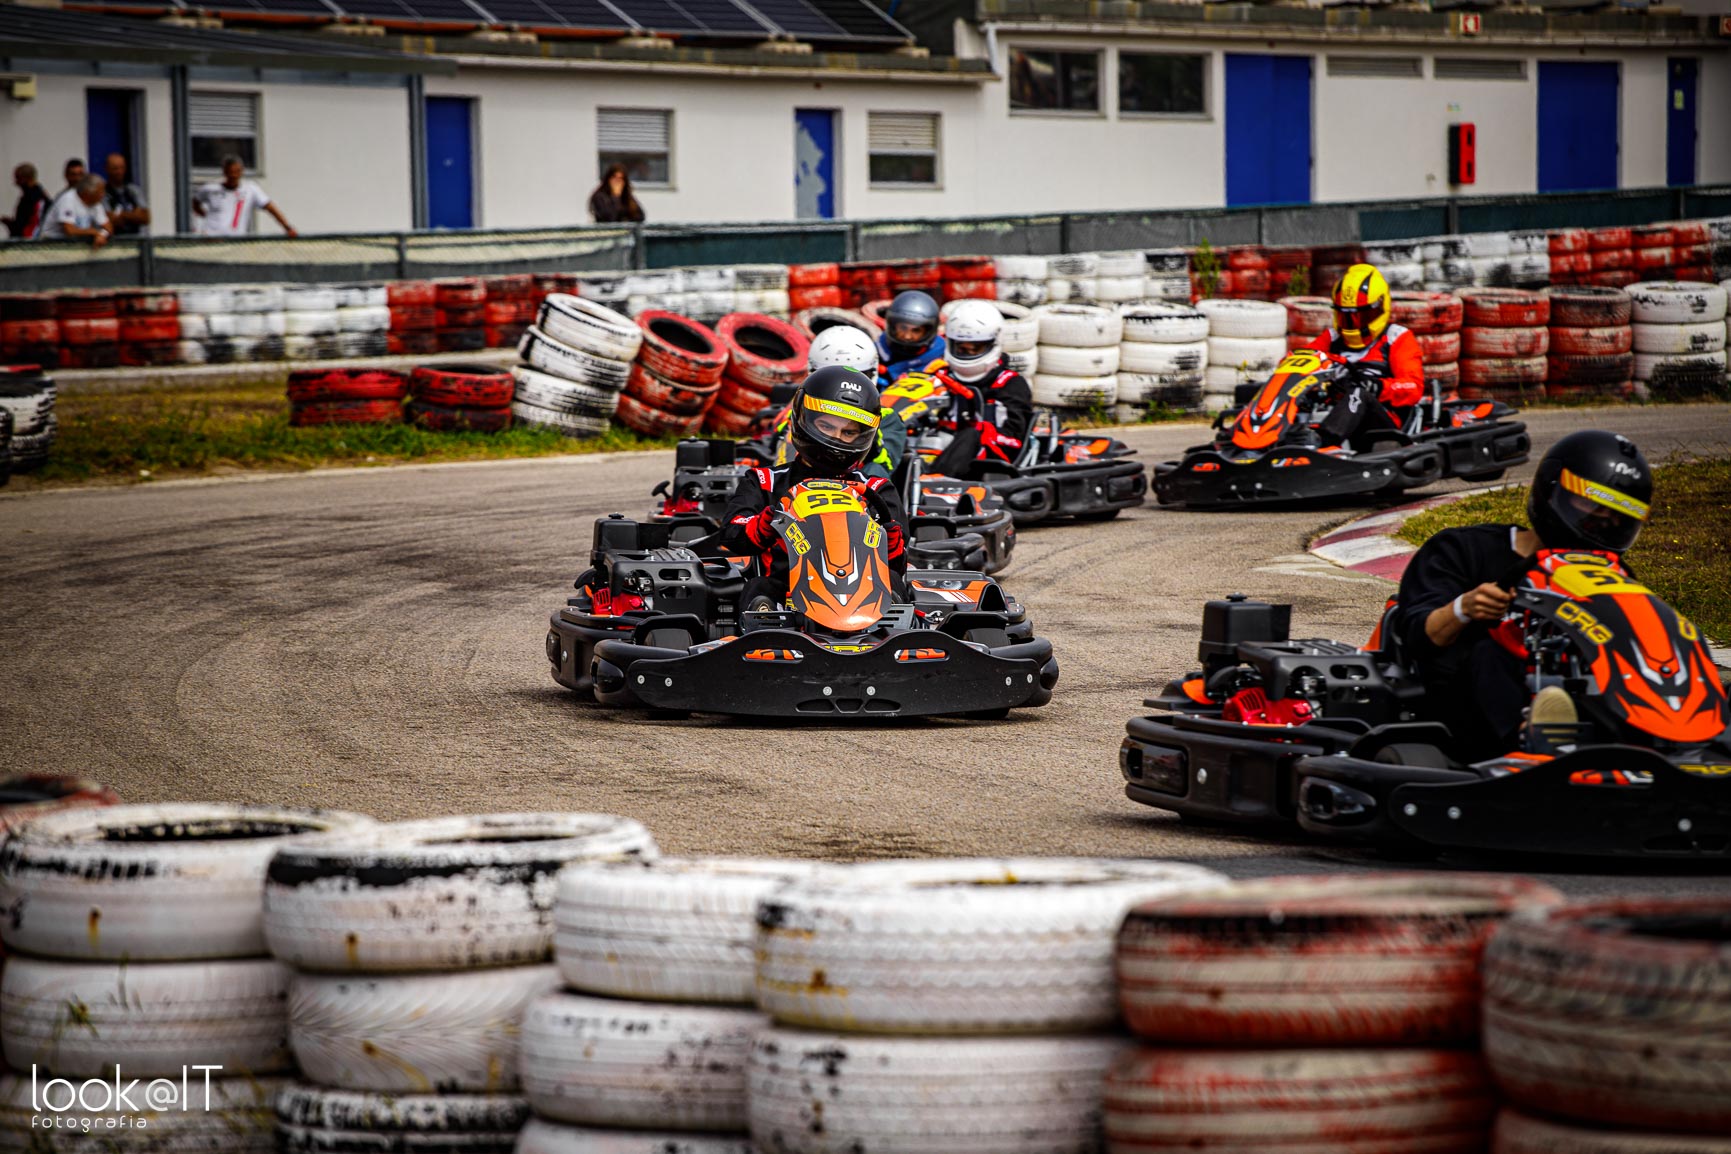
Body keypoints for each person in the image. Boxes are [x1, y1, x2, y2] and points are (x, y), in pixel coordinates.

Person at [1390, 430, 1652, 761]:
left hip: (1578, 696)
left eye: (1617, 517)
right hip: (1463, 712)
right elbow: (1417, 635)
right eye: (1591, 507)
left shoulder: (1613, 576)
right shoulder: (1462, 549)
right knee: (1491, 651)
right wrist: (1464, 608)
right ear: (1552, 492)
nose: (1603, 523)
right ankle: (1534, 740)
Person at [721, 366, 908, 611]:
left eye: (848, 432)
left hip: (864, 598)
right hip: (787, 597)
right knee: (758, 588)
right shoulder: (766, 480)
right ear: (803, 419)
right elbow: (732, 533)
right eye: (826, 427)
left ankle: (894, 626)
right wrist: (766, 524)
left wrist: (889, 544)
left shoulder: (876, 489)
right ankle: (764, 628)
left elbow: (899, 563)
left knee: (893, 582)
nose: (837, 438)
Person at [1303, 263, 1426, 448]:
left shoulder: (1397, 338)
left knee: (1358, 393)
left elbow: (1413, 387)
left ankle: (1323, 443)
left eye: (1362, 316)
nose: (1354, 324)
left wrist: (1377, 386)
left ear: (1380, 308)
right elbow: (1299, 360)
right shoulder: (1332, 338)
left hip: (1381, 424)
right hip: (1334, 411)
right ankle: (1265, 440)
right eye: (1346, 317)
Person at [908, 300, 1034, 479]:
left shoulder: (1009, 384)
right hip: (937, 450)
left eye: (975, 348)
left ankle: (931, 482)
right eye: (961, 347)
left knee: (972, 434)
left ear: (993, 343)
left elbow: (1013, 441)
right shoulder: (940, 375)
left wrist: (977, 429)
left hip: (987, 463)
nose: (967, 352)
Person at [193, 156, 296, 237]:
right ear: (224, 172)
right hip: (210, 239)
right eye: (230, 172)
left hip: (235, 242)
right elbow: (195, 201)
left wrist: (287, 227)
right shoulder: (210, 188)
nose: (233, 175)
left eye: (236, 172)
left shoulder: (250, 190)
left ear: (241, 171)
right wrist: (204, 215)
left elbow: (271, 208)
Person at [877, 291, 946, 387]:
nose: (907, 336)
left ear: (928, 331)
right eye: (903, 328)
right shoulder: (878, 349)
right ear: (893, 326)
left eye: (916, 330)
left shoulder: (942, 354)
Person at [36, 174, 112, 248]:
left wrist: (102, 235)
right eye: (100, 192)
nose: (103, 195)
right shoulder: (68, 199)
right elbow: (70, 231)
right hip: (50, 244)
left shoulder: (95, 203)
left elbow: (108, 228)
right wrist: (95, 232)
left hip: (74, 245)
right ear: (88, 192)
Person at [102, 153, 150, 236]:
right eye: (115, 168)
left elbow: (145, 218)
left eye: (122, 168)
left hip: (135, 238)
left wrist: (121, 215)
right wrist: (134, 214)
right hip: (113, 239)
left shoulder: (134, 190)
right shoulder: (102, 192)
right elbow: (108, 219)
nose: (119, 172)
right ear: (107, 169)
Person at [3, 164, 49, 239]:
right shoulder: (28, 196)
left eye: (18, 179)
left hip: (28, 241)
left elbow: (35, 223)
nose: (16, 183)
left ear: (27, 178)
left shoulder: (35, 198)